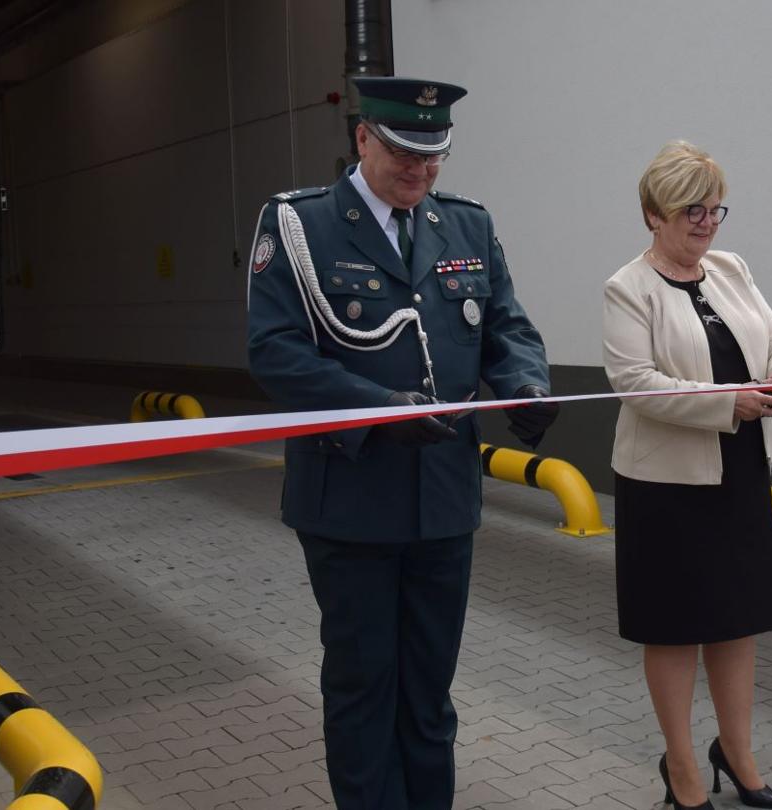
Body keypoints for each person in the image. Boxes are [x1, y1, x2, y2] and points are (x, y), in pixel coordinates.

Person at [244, 76, 558, 810]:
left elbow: (506, 326)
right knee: (363, 685)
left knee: (428, 689)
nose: (421, 171)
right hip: (350, 500)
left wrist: (526, 384)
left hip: (443, 499)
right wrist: (379, 409)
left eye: (433, 157)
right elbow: (275, 351)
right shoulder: (301, 224)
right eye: (404, 155)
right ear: (362, 138)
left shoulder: (466, 225)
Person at [603, 141, 772, 810]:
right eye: (690, 211)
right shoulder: (627, 288)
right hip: (665, 486)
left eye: (713, 209)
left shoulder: (731, 268)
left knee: (736, 619)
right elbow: (636, 384)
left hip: (739, 472)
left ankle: (738, 752)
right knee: (674, 628)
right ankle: (681, 768)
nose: (706, 223)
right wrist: (728, 403)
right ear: (653, 214)